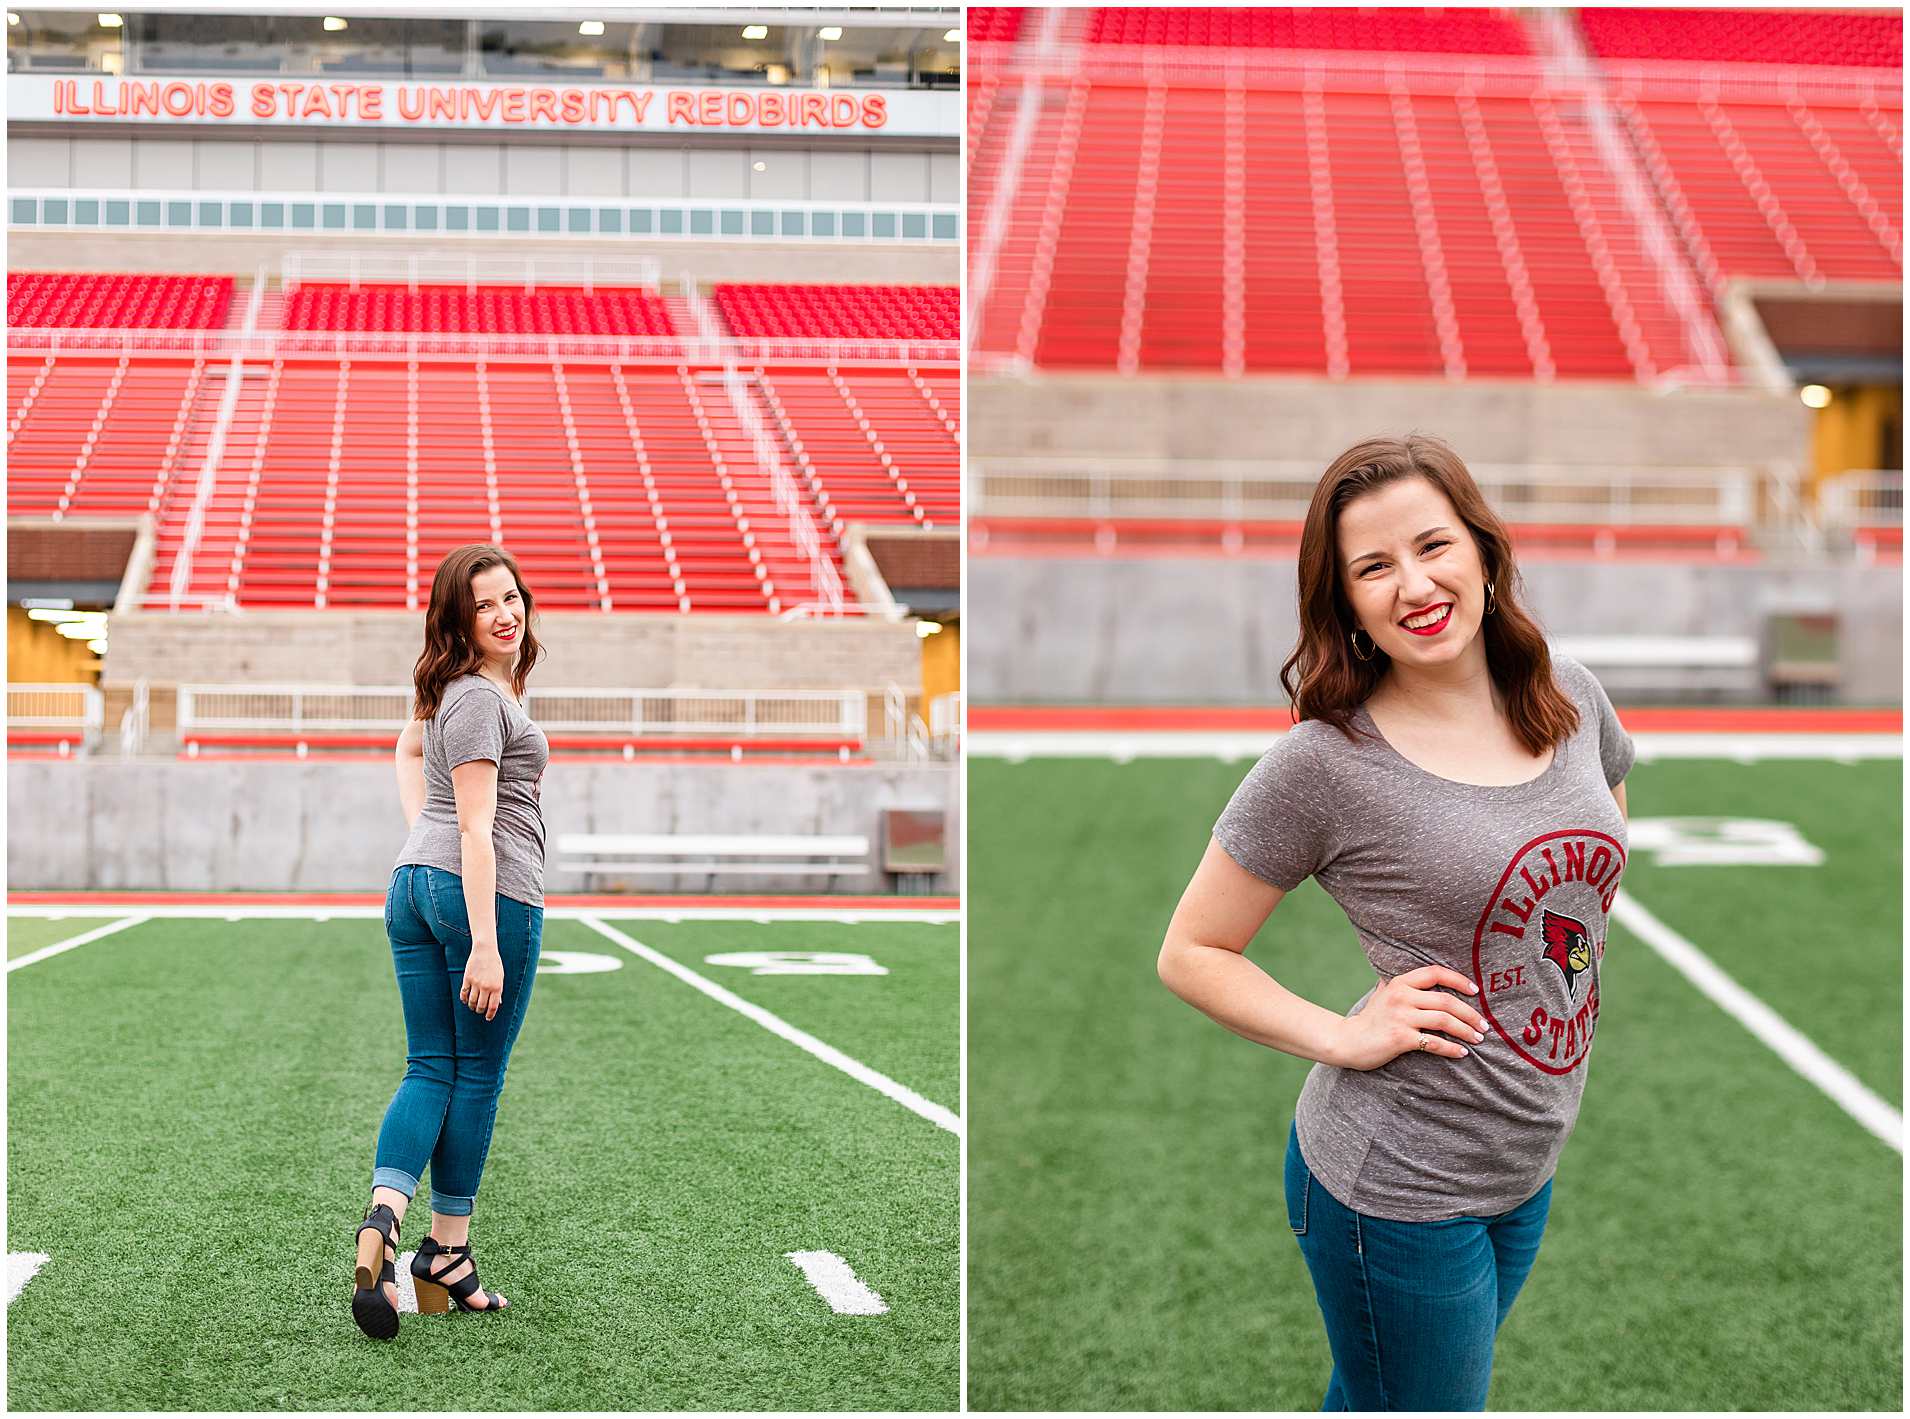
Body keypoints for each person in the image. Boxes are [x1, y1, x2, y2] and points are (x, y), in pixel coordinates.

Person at [1157, 435, 1633, 1411]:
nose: (1412, 584)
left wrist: (1552, 957)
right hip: (1397, 1180)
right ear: (1344, 600)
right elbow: (1192, 952)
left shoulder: (1567, 692)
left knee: (1383, 1396)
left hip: (1523, 1155)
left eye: (1431, 545)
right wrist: (1343, 1034)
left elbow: (1602, 816)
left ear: (1481, 551)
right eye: (1372, 567)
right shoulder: (1323, 765)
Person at [351, 543, 550, 1340]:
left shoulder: (457, 692)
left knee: (432, 1064)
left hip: (413, 885)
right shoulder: (475, 699)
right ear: (458, 620)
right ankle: (436, 1246)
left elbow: (404, 752)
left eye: (513, 597)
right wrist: (486, 943)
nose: (506, 613)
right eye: (486, 605)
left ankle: (403, 1227)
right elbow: (474, 826)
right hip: (485, 894)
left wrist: (418, 837)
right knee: (474, 1077)